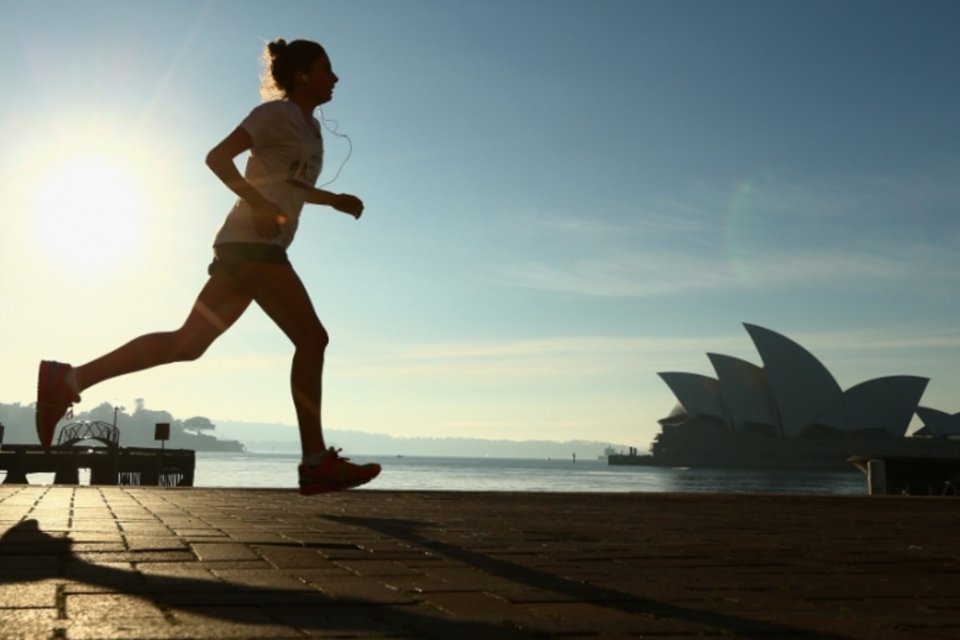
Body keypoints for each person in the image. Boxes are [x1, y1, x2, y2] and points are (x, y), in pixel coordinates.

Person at [35, 38, 380, 494]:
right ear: (301, 75)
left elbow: (291, 182)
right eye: (326, 69)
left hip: (248, 248)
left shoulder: (309, 129)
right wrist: (256, 202)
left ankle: (70, 378)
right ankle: (315, 461)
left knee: (187, 343)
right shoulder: (274, 114)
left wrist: (331, 199)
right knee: (312, 338)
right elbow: (217, 158)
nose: (334, 78)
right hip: (253, 246)